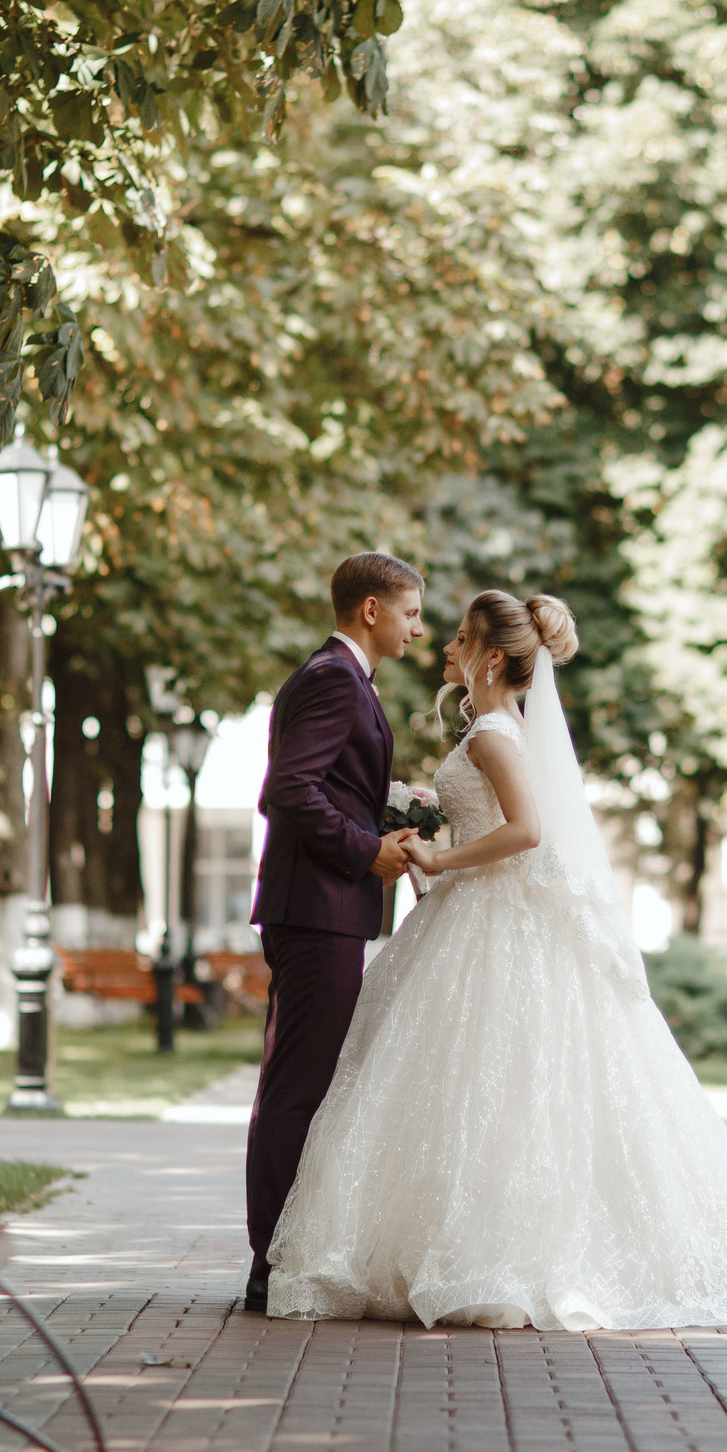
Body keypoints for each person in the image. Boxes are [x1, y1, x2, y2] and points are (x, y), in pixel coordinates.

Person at [266, 590, 727, 1330]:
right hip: (472, 914)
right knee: (464, 1090)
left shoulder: (495, 733)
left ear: (493, 655)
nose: (445, 647)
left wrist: (441, 853)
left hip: (492, 915)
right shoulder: (494, 729)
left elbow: (526, 831)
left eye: (461, 637)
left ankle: (491, 1256)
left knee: (488, 1085)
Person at [242, 551, 427, 1315]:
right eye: (412, 611)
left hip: (320, 908)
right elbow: (287, 790)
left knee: (303, 1086)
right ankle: (270, 1263)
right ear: (372, 610)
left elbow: (325, 781)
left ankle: (277, 1255)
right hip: (315, 909)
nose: (422, 626)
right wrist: (366, 849)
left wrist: (388, 801)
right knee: (297, 1091)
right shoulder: (331, 678)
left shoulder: (343, 679)